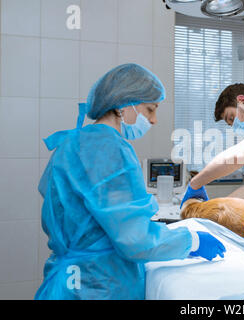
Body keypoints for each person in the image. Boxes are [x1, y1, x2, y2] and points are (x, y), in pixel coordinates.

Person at [35, 63, 225, 300]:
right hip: (99, 285)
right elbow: (136, 240)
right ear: (125, 106)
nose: (154, 120)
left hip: (65, 283)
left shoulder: (70, 143)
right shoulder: (111, 149)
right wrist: (191, 240)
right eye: (150, 110)